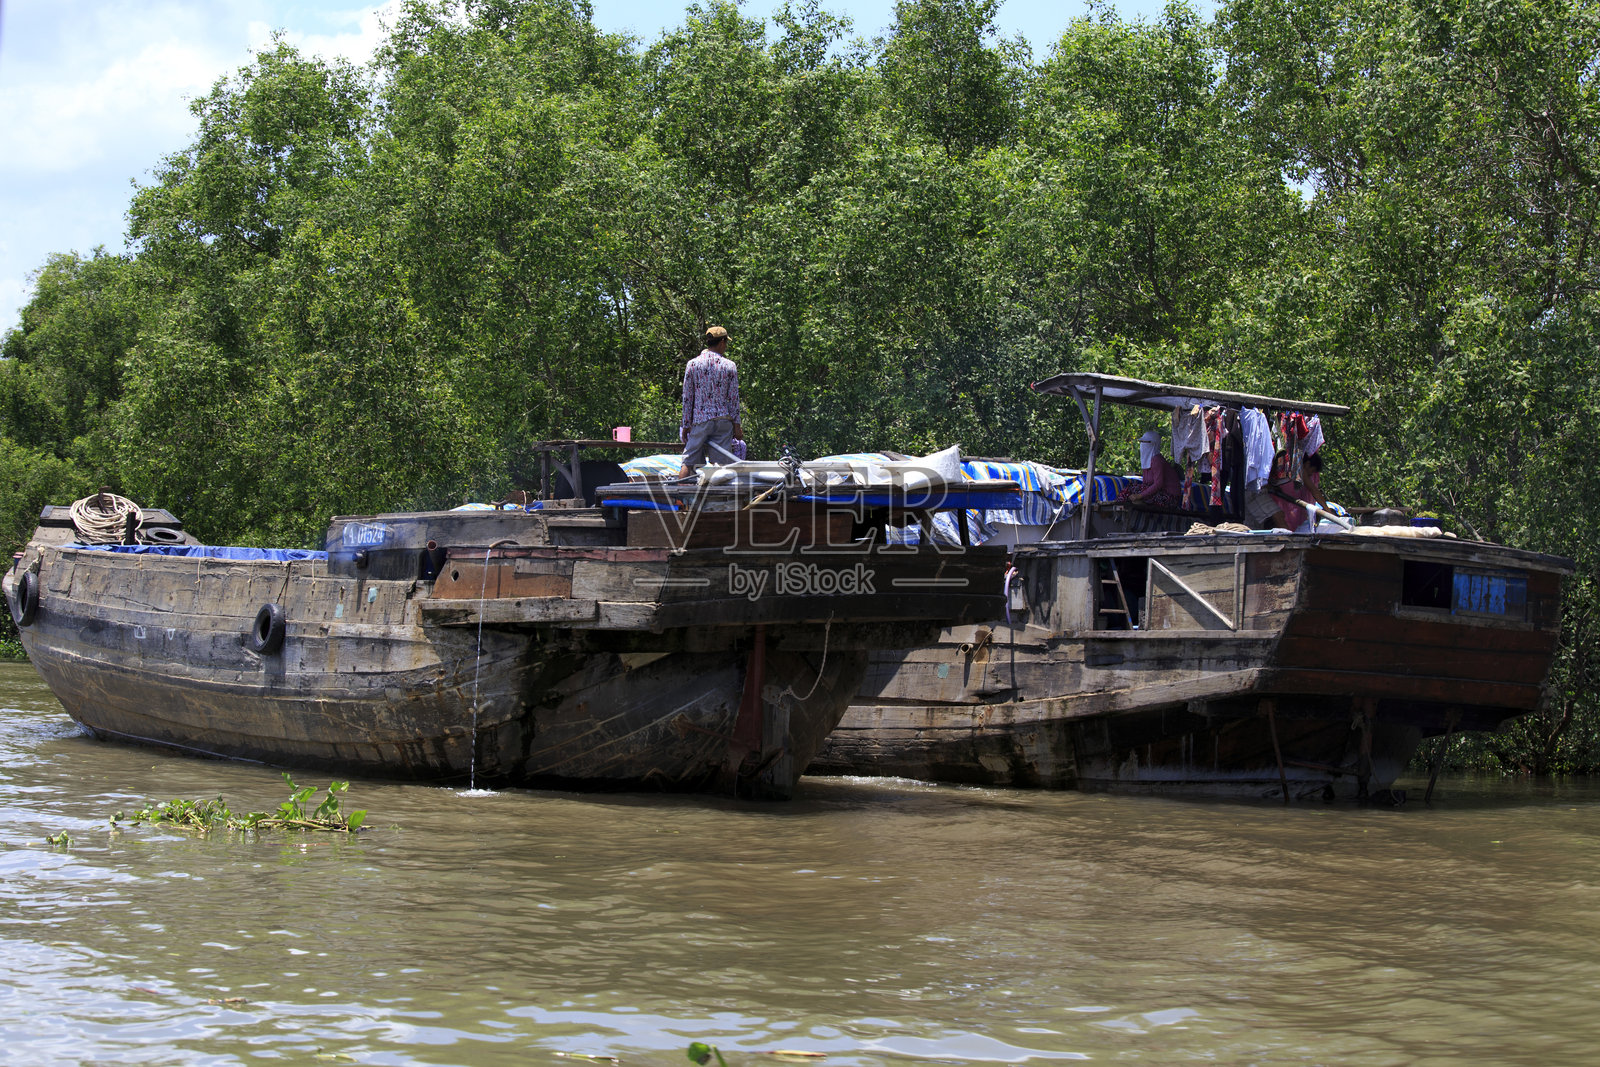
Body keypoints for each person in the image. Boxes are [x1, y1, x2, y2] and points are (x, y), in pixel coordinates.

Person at [677, 325, 743, 478]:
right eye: (726, 343)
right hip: (722, 421)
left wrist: (686, 425)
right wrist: (737, 426)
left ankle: (681, 498)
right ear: (722, 342)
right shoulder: (729, 366)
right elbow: (733, 399)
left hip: (700, 421)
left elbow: (687, 398)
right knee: (722, 467)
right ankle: (718, 500)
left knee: (689, 461)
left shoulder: (692, 364)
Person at [1118, 429, 1184, 508]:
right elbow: (1146, 483)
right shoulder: (1147, 460)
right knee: (1130, 488)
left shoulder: (1157, 460)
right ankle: (1119, 504)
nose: (1143, 445)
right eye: (1142, 442)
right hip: (1159, 493)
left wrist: (1140, 496)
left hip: (1169, 497)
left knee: (1134, 490)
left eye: (1146, 443)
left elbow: (1158, 484)